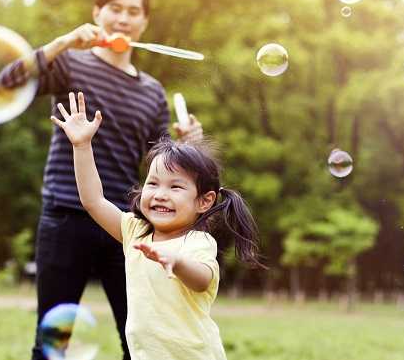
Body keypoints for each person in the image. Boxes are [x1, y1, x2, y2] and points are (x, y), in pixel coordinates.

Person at [0, 0, 203, 359]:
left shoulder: (152, 92)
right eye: (115, 9)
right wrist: (64, 42)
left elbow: (157, 165)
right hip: (64, 217)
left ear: (144, 22)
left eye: (133, 12)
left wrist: (185, 146)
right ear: (97, 13)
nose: (123, 18)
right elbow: (5, 82)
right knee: (51, 341)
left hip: (124, 225)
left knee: (139, 338)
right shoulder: (70, 65)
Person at [51, 91, 266, 359]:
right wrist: (82, 146)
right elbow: (93, 200)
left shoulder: (197, 242)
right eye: (153, 183)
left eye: (176, 187)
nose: (160, 194)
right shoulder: (135, 231)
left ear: (204, 201)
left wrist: (176, 261)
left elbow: (203, 280)